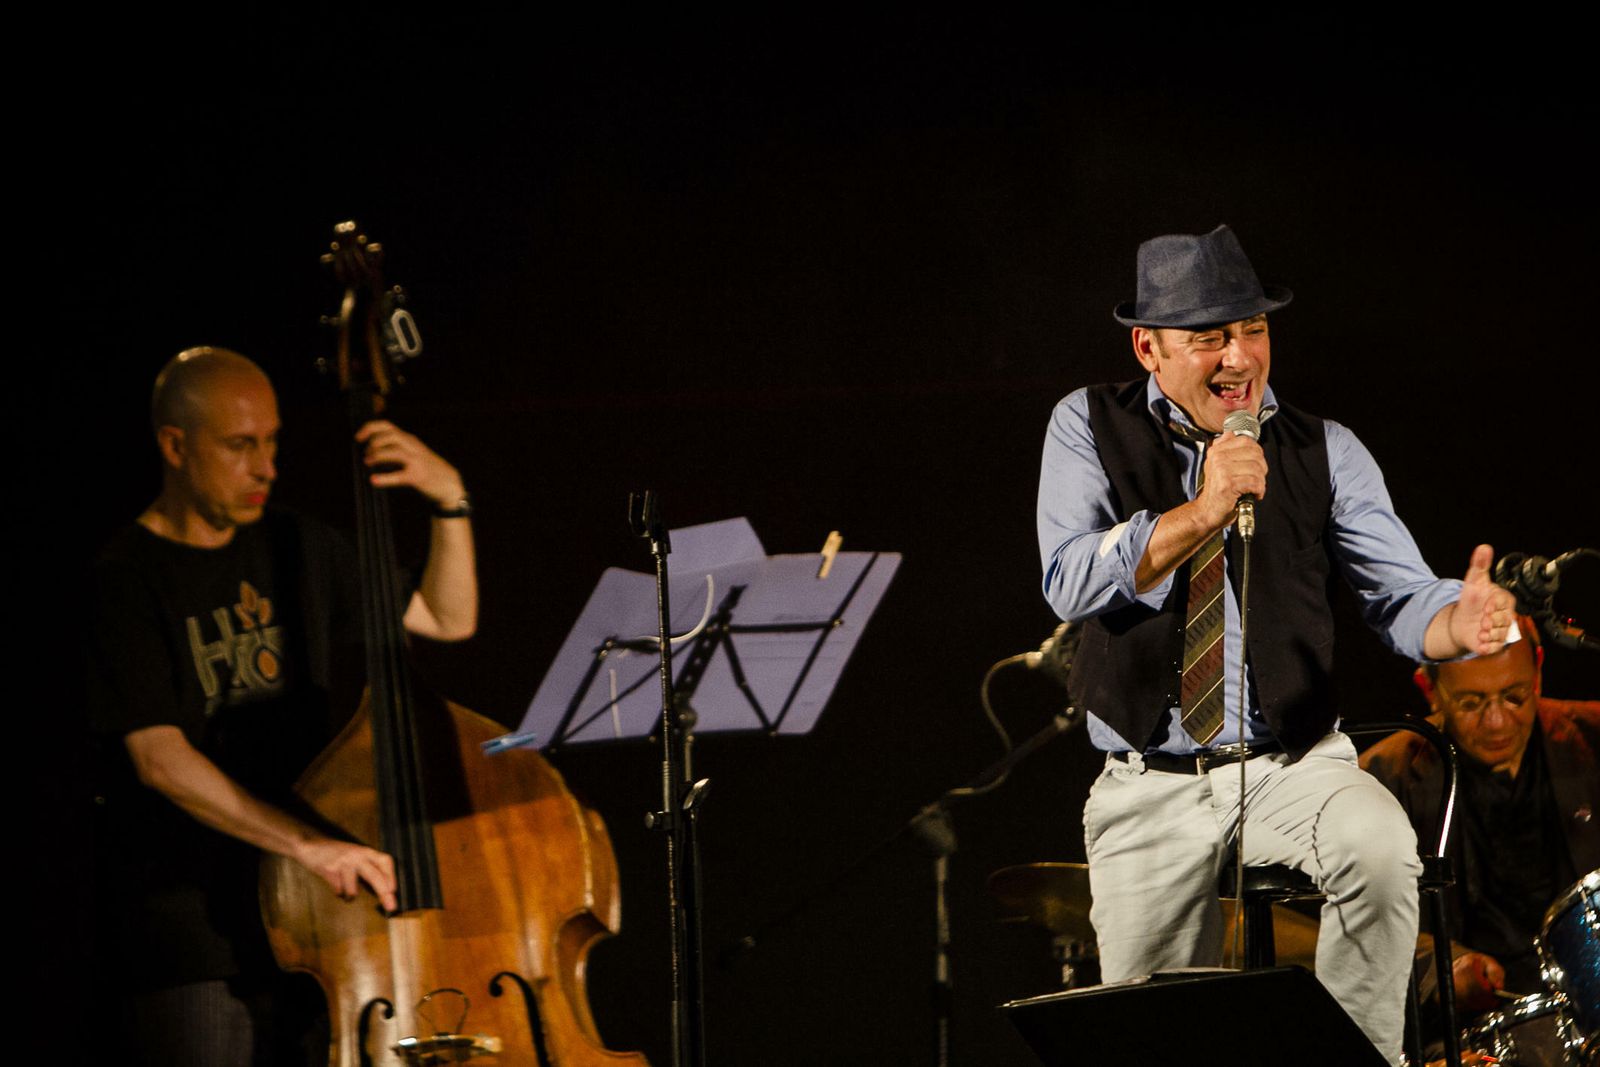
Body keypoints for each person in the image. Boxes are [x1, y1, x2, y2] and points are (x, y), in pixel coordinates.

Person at [1037, 224, 1515, 1066]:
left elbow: (1404, 597)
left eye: (1252, 328)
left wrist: (1460, 624)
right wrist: (1202, 512)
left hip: (1297, 765)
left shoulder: (1324, 448)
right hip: (1150, 781)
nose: (1238, 357)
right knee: (1144, 1037)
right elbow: (1071, 578)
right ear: (1149, 346)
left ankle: (1358, 1059)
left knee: (1379, 848)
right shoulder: (1086, 424)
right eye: (1209, 336)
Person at [89, 346, 478, 1064]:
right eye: (241, 445)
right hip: (195, 936)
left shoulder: (299, 545)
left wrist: (449, 497)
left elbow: (447, 618)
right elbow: (160, 759)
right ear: (175, 445)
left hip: (314, 922)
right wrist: (307, 843)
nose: (265, 466)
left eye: (271, 442)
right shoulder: (125, 582)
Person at [1361, 617, 1599, 1015]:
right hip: (1467, 1030)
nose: (1497, 722)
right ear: (1429, 690)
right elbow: (1352, 922)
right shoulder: (1383, 779)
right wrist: (1443, 968)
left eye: (1515, 696)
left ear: (1538, 670)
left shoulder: (1595, 737)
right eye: (1471, 703)